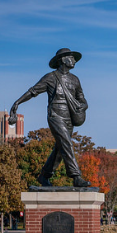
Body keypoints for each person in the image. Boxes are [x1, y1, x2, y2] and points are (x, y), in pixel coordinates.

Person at [9, 48, 91, 188]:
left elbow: (83, 100)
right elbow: (33, 91)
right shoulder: (50, 77)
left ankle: (44, 175)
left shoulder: (75, 80)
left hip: (69, 117)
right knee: (66, 143)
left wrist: (82, 107)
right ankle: (76, 176)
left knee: (60, 149)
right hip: (55, 115)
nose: (74, 61)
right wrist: (17, 102)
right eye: (71, 58)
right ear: (63, 59)